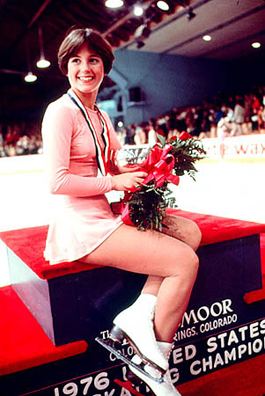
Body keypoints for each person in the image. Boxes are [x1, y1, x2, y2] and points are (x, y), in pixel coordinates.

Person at [41, 27, 201, 396]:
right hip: (79, 225)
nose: (86, 68)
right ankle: (155, 366)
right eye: (77, 60)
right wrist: (114, 184)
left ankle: (138, 312)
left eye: (93, 60)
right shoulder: (60, 112)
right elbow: (57, 182)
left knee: (190, 233)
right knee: (183, 263)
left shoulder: (99, 116)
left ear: (105, 65)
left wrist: (152, 165)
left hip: (103, 212)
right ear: (66, 67)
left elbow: (113, 166)